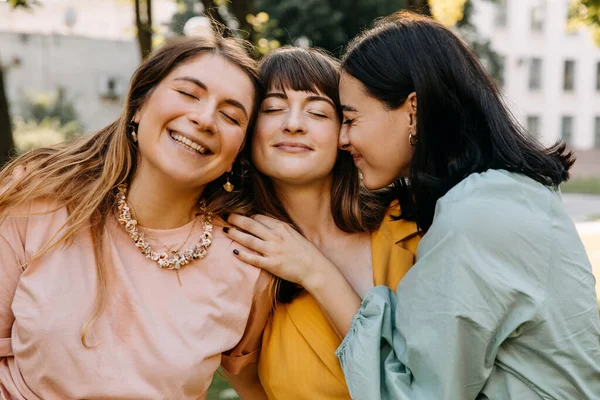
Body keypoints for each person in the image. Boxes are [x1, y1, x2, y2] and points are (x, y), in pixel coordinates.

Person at [224, 11, 600, 400]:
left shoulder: (475, 219)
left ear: (413, 111)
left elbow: (414, 393)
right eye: (272, 108)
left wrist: (315, 271)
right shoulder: (499, 199)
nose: (344, 138)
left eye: (347, 119)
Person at [0, 35, 272, 399]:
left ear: (239, 152)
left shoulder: (246, 260)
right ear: (139, 105)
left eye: (230, 115)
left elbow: (256, 384)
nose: (205, 119)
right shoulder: (40, 199)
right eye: (189, 94)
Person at [223, 46, 420, 399]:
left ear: (345, 134)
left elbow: (427, 383)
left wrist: (314, 270)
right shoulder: (238, 254)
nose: (294, 124)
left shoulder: (412, 225)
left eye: (316, 112)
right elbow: (251, 387)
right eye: (272, 108)